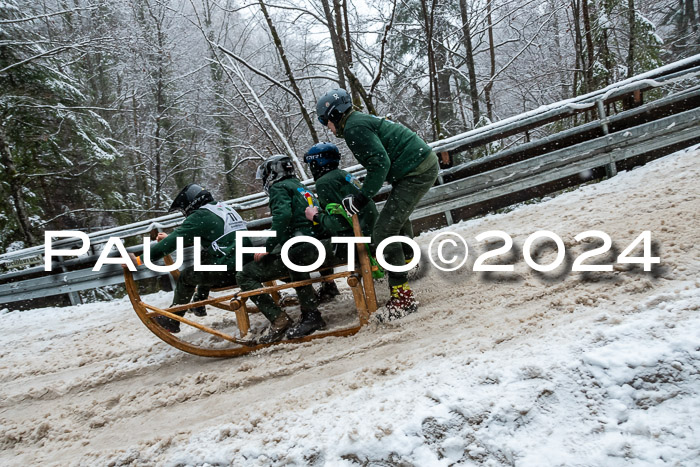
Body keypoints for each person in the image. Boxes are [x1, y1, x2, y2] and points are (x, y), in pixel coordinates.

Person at [315, 89, 439, 318]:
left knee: (383, 232)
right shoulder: (357, 122)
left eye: (325, 121)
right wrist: (365, 191)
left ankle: (402, 297)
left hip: (416, 171)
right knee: (395, 218)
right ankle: (405, 259)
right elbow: (380, 162)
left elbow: (379, 163)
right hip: (415, 167)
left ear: (334, 115)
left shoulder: (354, 127)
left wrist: (362, 198)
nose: (327, 127)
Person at [130, 184, 252, 333]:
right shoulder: (221, 208)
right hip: (248, 264)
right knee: (206, 255)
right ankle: (199, 302)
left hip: (231, 270)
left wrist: (138, 260)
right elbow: (206, 234)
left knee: (187, 276)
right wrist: (172, 237)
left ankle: (172, 319)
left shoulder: (200, 215)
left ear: (190, 204)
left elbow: (173, 242)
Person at [235, 155, 326, 343]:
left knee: (245, 275)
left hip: (303, 249)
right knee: (289, 257)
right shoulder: (299, 186)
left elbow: (283, 217)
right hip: (317, 244)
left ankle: (286, 318)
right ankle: (312, 302)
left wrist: (268, 247)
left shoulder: (279, 188)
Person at [302, 142, 379, 302]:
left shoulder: (324, 183)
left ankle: (326, 289)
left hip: (355, 240)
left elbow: (338, 223)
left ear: (317, 163)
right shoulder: (344, 174)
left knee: (304, 252)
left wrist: (315, 217)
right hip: (372, 231)